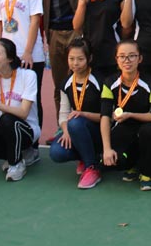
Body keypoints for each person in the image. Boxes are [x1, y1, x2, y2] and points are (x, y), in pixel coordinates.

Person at [0, 0, 45, 145]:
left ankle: (34, 143)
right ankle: (15, 141)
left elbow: (35, 21)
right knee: (11, 98)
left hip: (29, 56)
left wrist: (28, 52)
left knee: (31, 100)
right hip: (8, 57)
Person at [100, 40, 151, 191]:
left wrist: (130, 115)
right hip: (124, 128)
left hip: (149, 127)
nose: (126, 60)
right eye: (122, 56)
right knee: (113, 162)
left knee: (149, 133)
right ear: (116, 59)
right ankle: (132, 165)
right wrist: (107, 149)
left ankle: (147, 173)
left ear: (140, 58)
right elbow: (105, 116)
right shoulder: (109, 83)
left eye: (132, 56)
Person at [0, 38, 40, 182]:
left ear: (10, 58)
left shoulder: (28, 76)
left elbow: (24, 113)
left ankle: (16, 163)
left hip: (26, 129)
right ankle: (15, 155)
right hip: (3, 128)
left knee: (7, 119)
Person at [49, 38, 103, 189]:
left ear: (89, 58)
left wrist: (84, 114)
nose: (75, 63)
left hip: (99, 132)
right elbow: (63, 114)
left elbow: (108, 116)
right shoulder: (66, 83)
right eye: (71, 59)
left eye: (80, 59)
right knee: (56, 152)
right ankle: (85, 158)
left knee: (76, 122)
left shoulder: (99, 81)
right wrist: (66, 131)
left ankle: (92, 168)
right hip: (76, 128)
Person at [73, 0, 124, 80]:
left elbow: (126, 25)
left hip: (112, 53)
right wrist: (83, 3)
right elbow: (76, 26)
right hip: (89, 54)